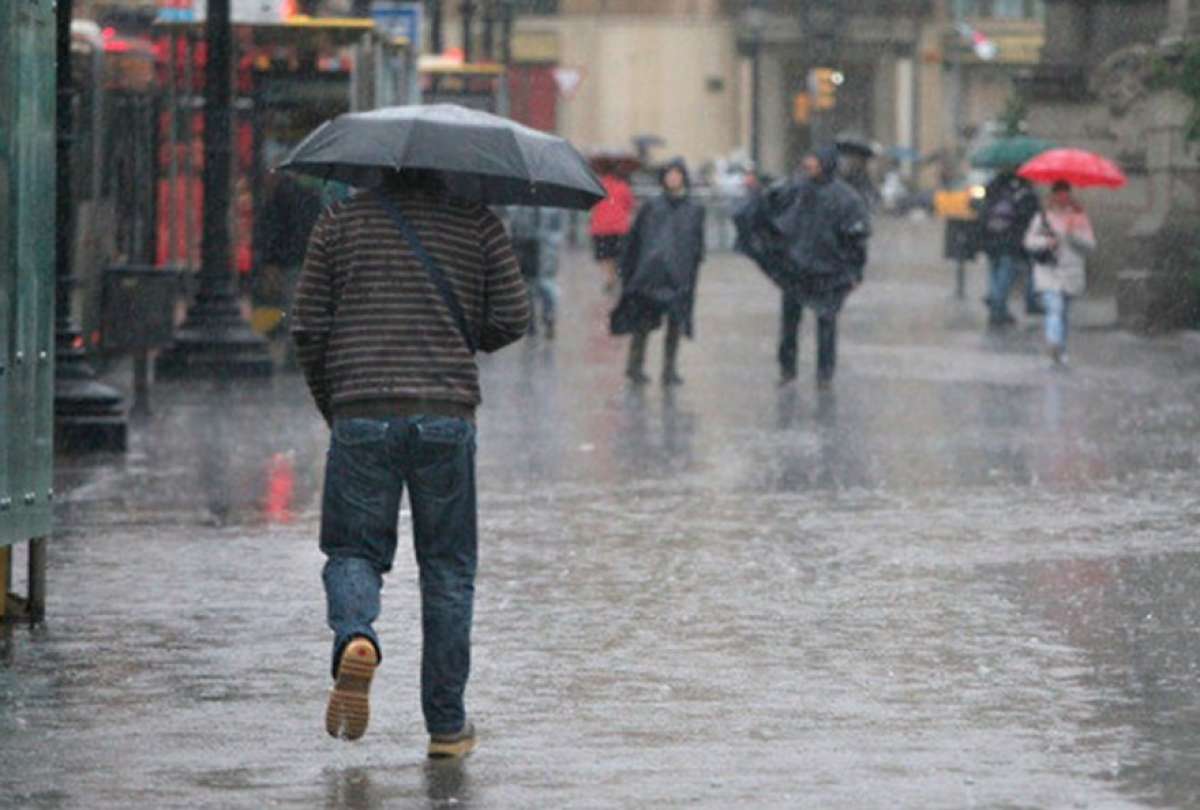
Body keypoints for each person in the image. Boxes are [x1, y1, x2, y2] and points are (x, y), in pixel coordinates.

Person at [290, 168, 530, 758]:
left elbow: (307, 325)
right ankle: (447, 726)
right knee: (447, 569)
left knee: (352, 550)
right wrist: (456, 329)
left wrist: (336, 402)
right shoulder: (477, 222)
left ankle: (356, 637)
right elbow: (513, 318)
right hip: (445, 412)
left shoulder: (339, 223)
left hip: (361, 408)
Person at [774, 146, 871, 388]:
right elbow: (777, 217)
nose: (809, 165)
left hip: (828, 271)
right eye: (808, 160)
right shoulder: (796, 190)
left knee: (826, 323)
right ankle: (788, 370)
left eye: (814, 161)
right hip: (795, 268)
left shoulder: (845, 198)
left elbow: (856, 238)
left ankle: (824, 374)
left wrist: (855, 270)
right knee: (789, 323)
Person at [610, 158, 705, 386]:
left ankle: (669, 369)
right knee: (643, 323)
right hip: (651, 274)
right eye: (669, 174)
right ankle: (635, 367)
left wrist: (690, 267)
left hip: (678, 275)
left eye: (677, 174)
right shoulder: (652, 207)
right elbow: (637, 238)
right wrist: (632, 267)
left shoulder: (694, 209)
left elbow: (696, 243)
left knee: (674, 323)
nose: (673, 178)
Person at [1023, 180, 1095, 366]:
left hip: (1071, 272)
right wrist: (1047, 242)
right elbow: (1029, 242)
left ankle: (1061, 349)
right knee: (1054, 308)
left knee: (1063, 313)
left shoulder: (1079, 218)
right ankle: (1053, 343)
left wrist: (1073, 236)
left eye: (1065, 194)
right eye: (1059, 194)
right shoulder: (1042, 217)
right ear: (1053, 196)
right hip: (1049, 271)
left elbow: (1090, 246)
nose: (1062, 198)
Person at [979, 169, 1041, 327]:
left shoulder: (992, 190)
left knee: (994, 273)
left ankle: (997, 304)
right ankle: (998, 309)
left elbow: (981, 212)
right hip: (1009, 241)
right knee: (1005, 274)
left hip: (990, 238)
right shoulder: (1022, 193)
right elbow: (1028, 216)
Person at [508, 206, 566, 339]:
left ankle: (538, 320)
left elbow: (514, 230)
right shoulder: (551, 207)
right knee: (539, 286)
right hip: (535, 250)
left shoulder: (518, 205)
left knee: (535, 286)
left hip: (536, 250)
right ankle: (541, 319)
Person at [589, 166, 635, 293]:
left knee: (604, 256)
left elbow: (591, 203)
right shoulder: (623, 187)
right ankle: (614, 276)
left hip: (600, 227)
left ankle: (609, 278)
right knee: (616, 255)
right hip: (619, 227)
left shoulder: (598, 186)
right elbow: (630, 205)